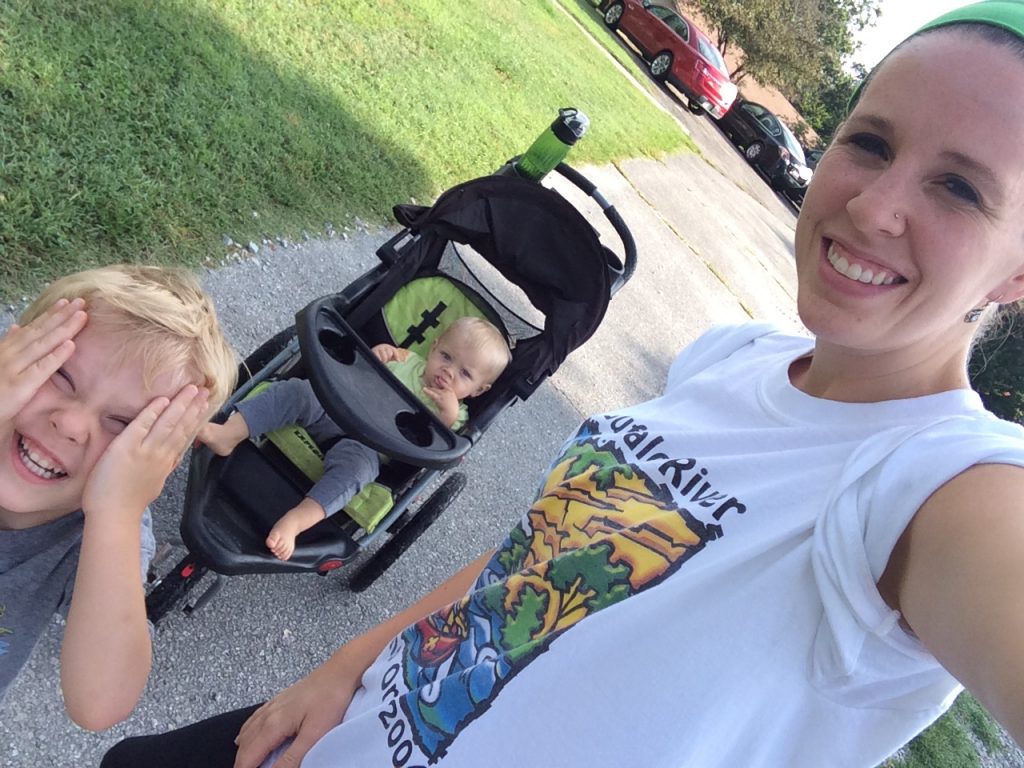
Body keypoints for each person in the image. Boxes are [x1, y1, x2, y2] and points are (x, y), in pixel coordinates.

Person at [101, 2, 1024, 765]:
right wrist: (346, 667)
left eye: (961, 189)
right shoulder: (730, 358)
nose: (874, 206)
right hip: (345, 721)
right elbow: (536, 557)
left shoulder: (941, 485)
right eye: (870, 142)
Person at [0, 264, 237, 731]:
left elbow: (100, 704)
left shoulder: (106, 529)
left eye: (124, 424)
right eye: (61, 377)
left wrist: (117, 515)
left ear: (154, 463)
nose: (70, 424)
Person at [197, 316, 511, 560]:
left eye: (465, 374)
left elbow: (438, 447)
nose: (449, 371)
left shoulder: (456, 415)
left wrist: (446, 416)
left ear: (479, 390)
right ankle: (228, 434)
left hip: (368, 448)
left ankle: (296, 520)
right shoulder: (406, 361)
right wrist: (379, 355)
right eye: (446, 356)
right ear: (433, 347)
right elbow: (358, 370)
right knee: (296, 392)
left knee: (357, 472)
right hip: (336, 411)